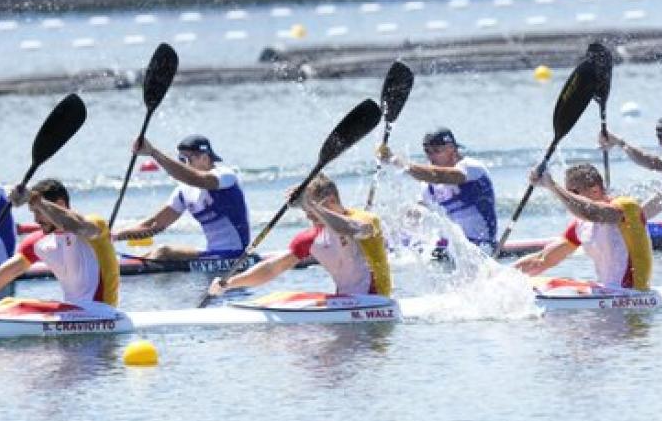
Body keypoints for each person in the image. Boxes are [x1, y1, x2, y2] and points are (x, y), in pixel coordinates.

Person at [0, 178, 120, 312]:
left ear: (60, 204)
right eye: (33, 211)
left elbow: (76, 226)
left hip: (103, 312)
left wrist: (36, 200)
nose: (35, 219)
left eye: (38, 212)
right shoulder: (39, 242)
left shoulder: (94, 224)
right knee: (8, 304)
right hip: (73, 315)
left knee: (16, 307)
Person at [207, 174, 391, 299]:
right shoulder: (311, 238)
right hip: (346, 305)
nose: (307, 215)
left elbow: (348, 228)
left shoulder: (366, 219)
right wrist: (230, 283)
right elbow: (273, 268)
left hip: (377, 302)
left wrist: (312, 205)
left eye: (309, 209)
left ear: (332, 201)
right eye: (304, 209)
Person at [513, 163, 652, 291]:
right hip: (608, 292)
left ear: (595, 190)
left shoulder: (627, 207)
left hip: (633, 293)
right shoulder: (581, 224)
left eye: (573, 192)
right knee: (544, 284)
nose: (567, 197)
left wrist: (553, 186)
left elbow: (592, 212)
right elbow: (543, 260)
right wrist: (502, 276)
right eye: (567, 191)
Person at [112, 134, 250, 261]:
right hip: (212, 254)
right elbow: (153, 225)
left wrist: (153, 152)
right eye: (180, 159)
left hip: (236, 254)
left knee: (163, 252)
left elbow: (197, 179)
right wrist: (114, 235)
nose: (182, 164)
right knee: (150, 254)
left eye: (185, 159)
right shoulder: (184, 191)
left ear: (205, 158)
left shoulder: (225, 176)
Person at [377, 127, 497, 250]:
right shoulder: (428, 186)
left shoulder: (472, 168)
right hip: (453, 246)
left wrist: (396, 161)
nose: (431, 156)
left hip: (482, 245)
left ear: (452, 149)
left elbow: (437, 176)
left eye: (436, 151)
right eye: (427, 151)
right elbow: (417, 213)